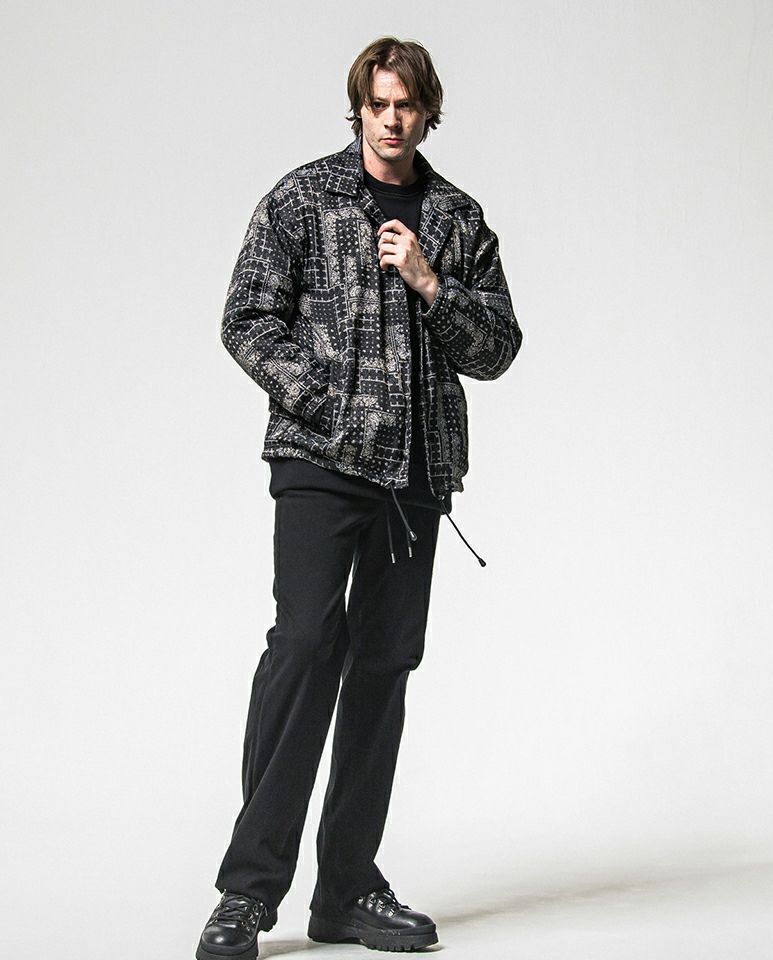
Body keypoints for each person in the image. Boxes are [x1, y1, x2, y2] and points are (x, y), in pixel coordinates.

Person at [196, 35, 523, 960]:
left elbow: (498, 348)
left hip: (414, 481)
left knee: (381, 669)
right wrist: (328, 401)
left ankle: (346, 890)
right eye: (378, 104)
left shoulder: (456, 219)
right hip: (320, 465)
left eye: (406, 105)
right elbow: (246, 318)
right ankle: (247, 892)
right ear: (360, 108)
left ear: (427, 113)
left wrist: (430, 282)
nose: (391, 120)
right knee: (304, 648)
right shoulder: (304, 198)